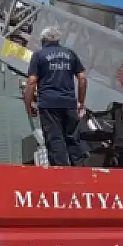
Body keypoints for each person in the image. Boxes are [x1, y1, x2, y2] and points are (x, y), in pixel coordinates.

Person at [23, 26, 88, 167]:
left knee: (55, 140)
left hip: (49, 104)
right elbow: (82, 78)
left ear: (43, 41)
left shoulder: (39, 56)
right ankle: (80, 173)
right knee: (73, 139)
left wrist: (28, 105)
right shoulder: (70, 54)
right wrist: (81, 102)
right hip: (69, 103)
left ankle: (61, 174)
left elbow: (31, 81)